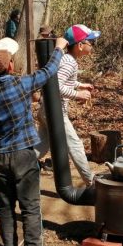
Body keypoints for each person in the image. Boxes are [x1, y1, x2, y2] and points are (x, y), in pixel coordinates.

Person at [0, 36, 67, 246]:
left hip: (0, 156)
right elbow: (47, 72)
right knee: (30, 205)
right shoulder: (19, 84)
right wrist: (59, 48)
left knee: (5, 207)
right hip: (24, 155)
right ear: (10, 65)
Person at [34, 24, 99, 186]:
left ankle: (15, 168)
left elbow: (62, 79)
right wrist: (78, 94)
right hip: (55, 113)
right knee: (75, 145)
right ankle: (92, 183)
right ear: (80, 45)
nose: (92, 45)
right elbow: (56, 87)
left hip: (46, 110)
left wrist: (79, 85)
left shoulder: (67, 59)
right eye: (90, 42)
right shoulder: (70, 62)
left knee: (40, 147)